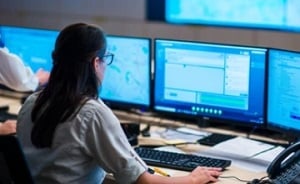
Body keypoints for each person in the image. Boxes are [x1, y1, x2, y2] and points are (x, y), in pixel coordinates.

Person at [16, 22, 222, 184]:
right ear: (96, 63)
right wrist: (192, 179)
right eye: (106, 59)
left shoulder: (31, 103)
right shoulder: (91, 113)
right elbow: (144, 181)